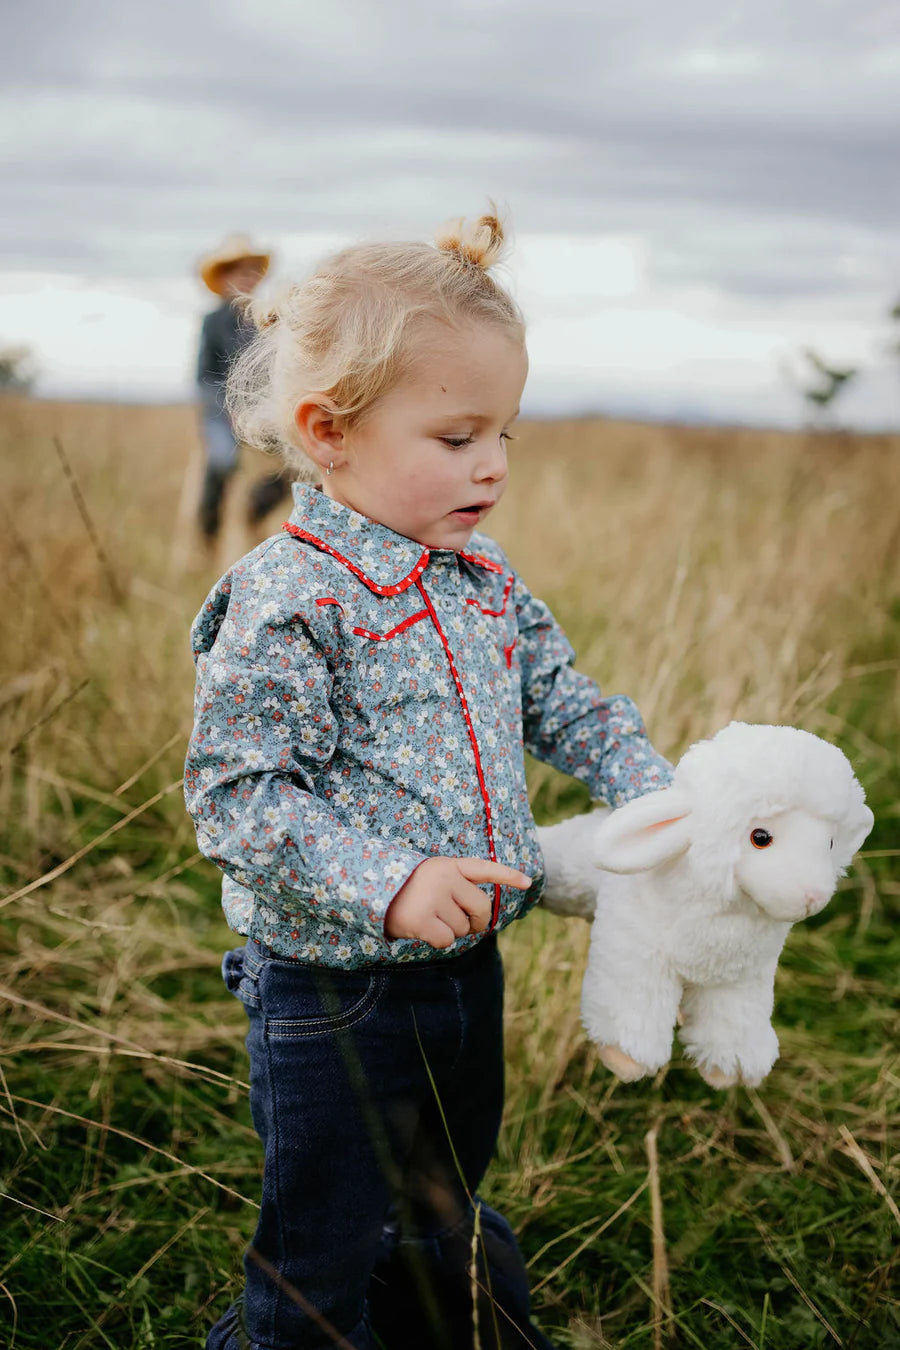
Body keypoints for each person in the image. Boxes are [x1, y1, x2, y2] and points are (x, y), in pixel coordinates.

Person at [184, 212, 673, 1349]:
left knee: (443, 1203)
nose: (492, 464)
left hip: (467, 965)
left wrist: (649, 791)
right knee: (322, 1243)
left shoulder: (482, 576)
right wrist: (390, 879)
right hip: (333, 987)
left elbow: (563, 698)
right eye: (457, 437)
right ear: (329, 432)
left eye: (505, 432)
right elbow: (239, 796)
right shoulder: (286, 600)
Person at [195, 233, 291, 546]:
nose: (247, 278)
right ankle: (208, 532)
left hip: (257, 409)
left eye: (252, 271)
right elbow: (205, 377)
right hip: (220, 410)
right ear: (223, 278)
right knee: (223, 460)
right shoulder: (212, 321)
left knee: (300, 457)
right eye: (239, 271)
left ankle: (256, 508)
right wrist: (228, 411)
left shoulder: (262, 319)